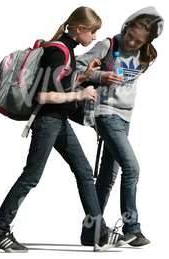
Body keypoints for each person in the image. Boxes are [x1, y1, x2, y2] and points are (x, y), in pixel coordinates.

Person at [0, 6, 135, 253]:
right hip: (47, 121)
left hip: (58, 121)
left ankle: (98, 234)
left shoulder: (66, 51)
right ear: (79, 30)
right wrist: (81, 93)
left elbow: (59, 84)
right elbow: (42, 95)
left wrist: (83, 76)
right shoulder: (57, 51)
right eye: (93, 32)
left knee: (85, 172)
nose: (95, 37)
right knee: (31, 177)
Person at [74, 6, 164, 247]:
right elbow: (75, 67)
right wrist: (100, 76)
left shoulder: (145, 56)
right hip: (106, 115)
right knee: (132, 168)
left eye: (137, 41)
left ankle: (91, 231)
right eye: (129, 35)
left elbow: (127, 83)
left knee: (107, 177)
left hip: (125, 119)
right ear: (125, 27)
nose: (131, 42)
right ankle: (131, 227)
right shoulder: (107, 45)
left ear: (147, 42)